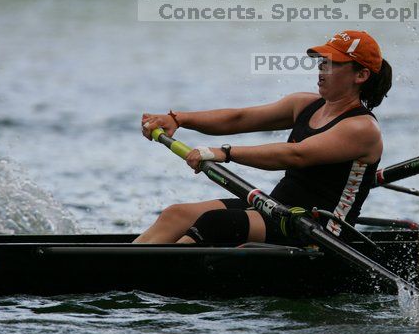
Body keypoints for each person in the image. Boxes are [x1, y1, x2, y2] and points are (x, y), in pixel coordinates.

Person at [134, 30, 392, 245]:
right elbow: (240, 118)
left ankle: (155, 273)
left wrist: (226, 152)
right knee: (177, 214)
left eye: (333, 63)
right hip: (280, 209)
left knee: (216, 223)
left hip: (321, 231)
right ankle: (128, 264)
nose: (322, 68)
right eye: (322, 61)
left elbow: (296, 154)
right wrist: (178, 119)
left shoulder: (362, 128)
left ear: (361, 75)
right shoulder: (303, 104)